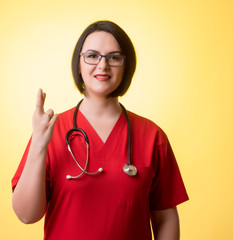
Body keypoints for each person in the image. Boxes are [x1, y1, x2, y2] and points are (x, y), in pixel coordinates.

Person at [11, 20, 188, 240]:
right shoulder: (50, 132)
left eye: (114, 57)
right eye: (92, 56)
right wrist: (38, 144)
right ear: (79, 64)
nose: (103, 66)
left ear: (126, 65)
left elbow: (165, 219)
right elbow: (27, 215)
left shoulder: (152, 137)